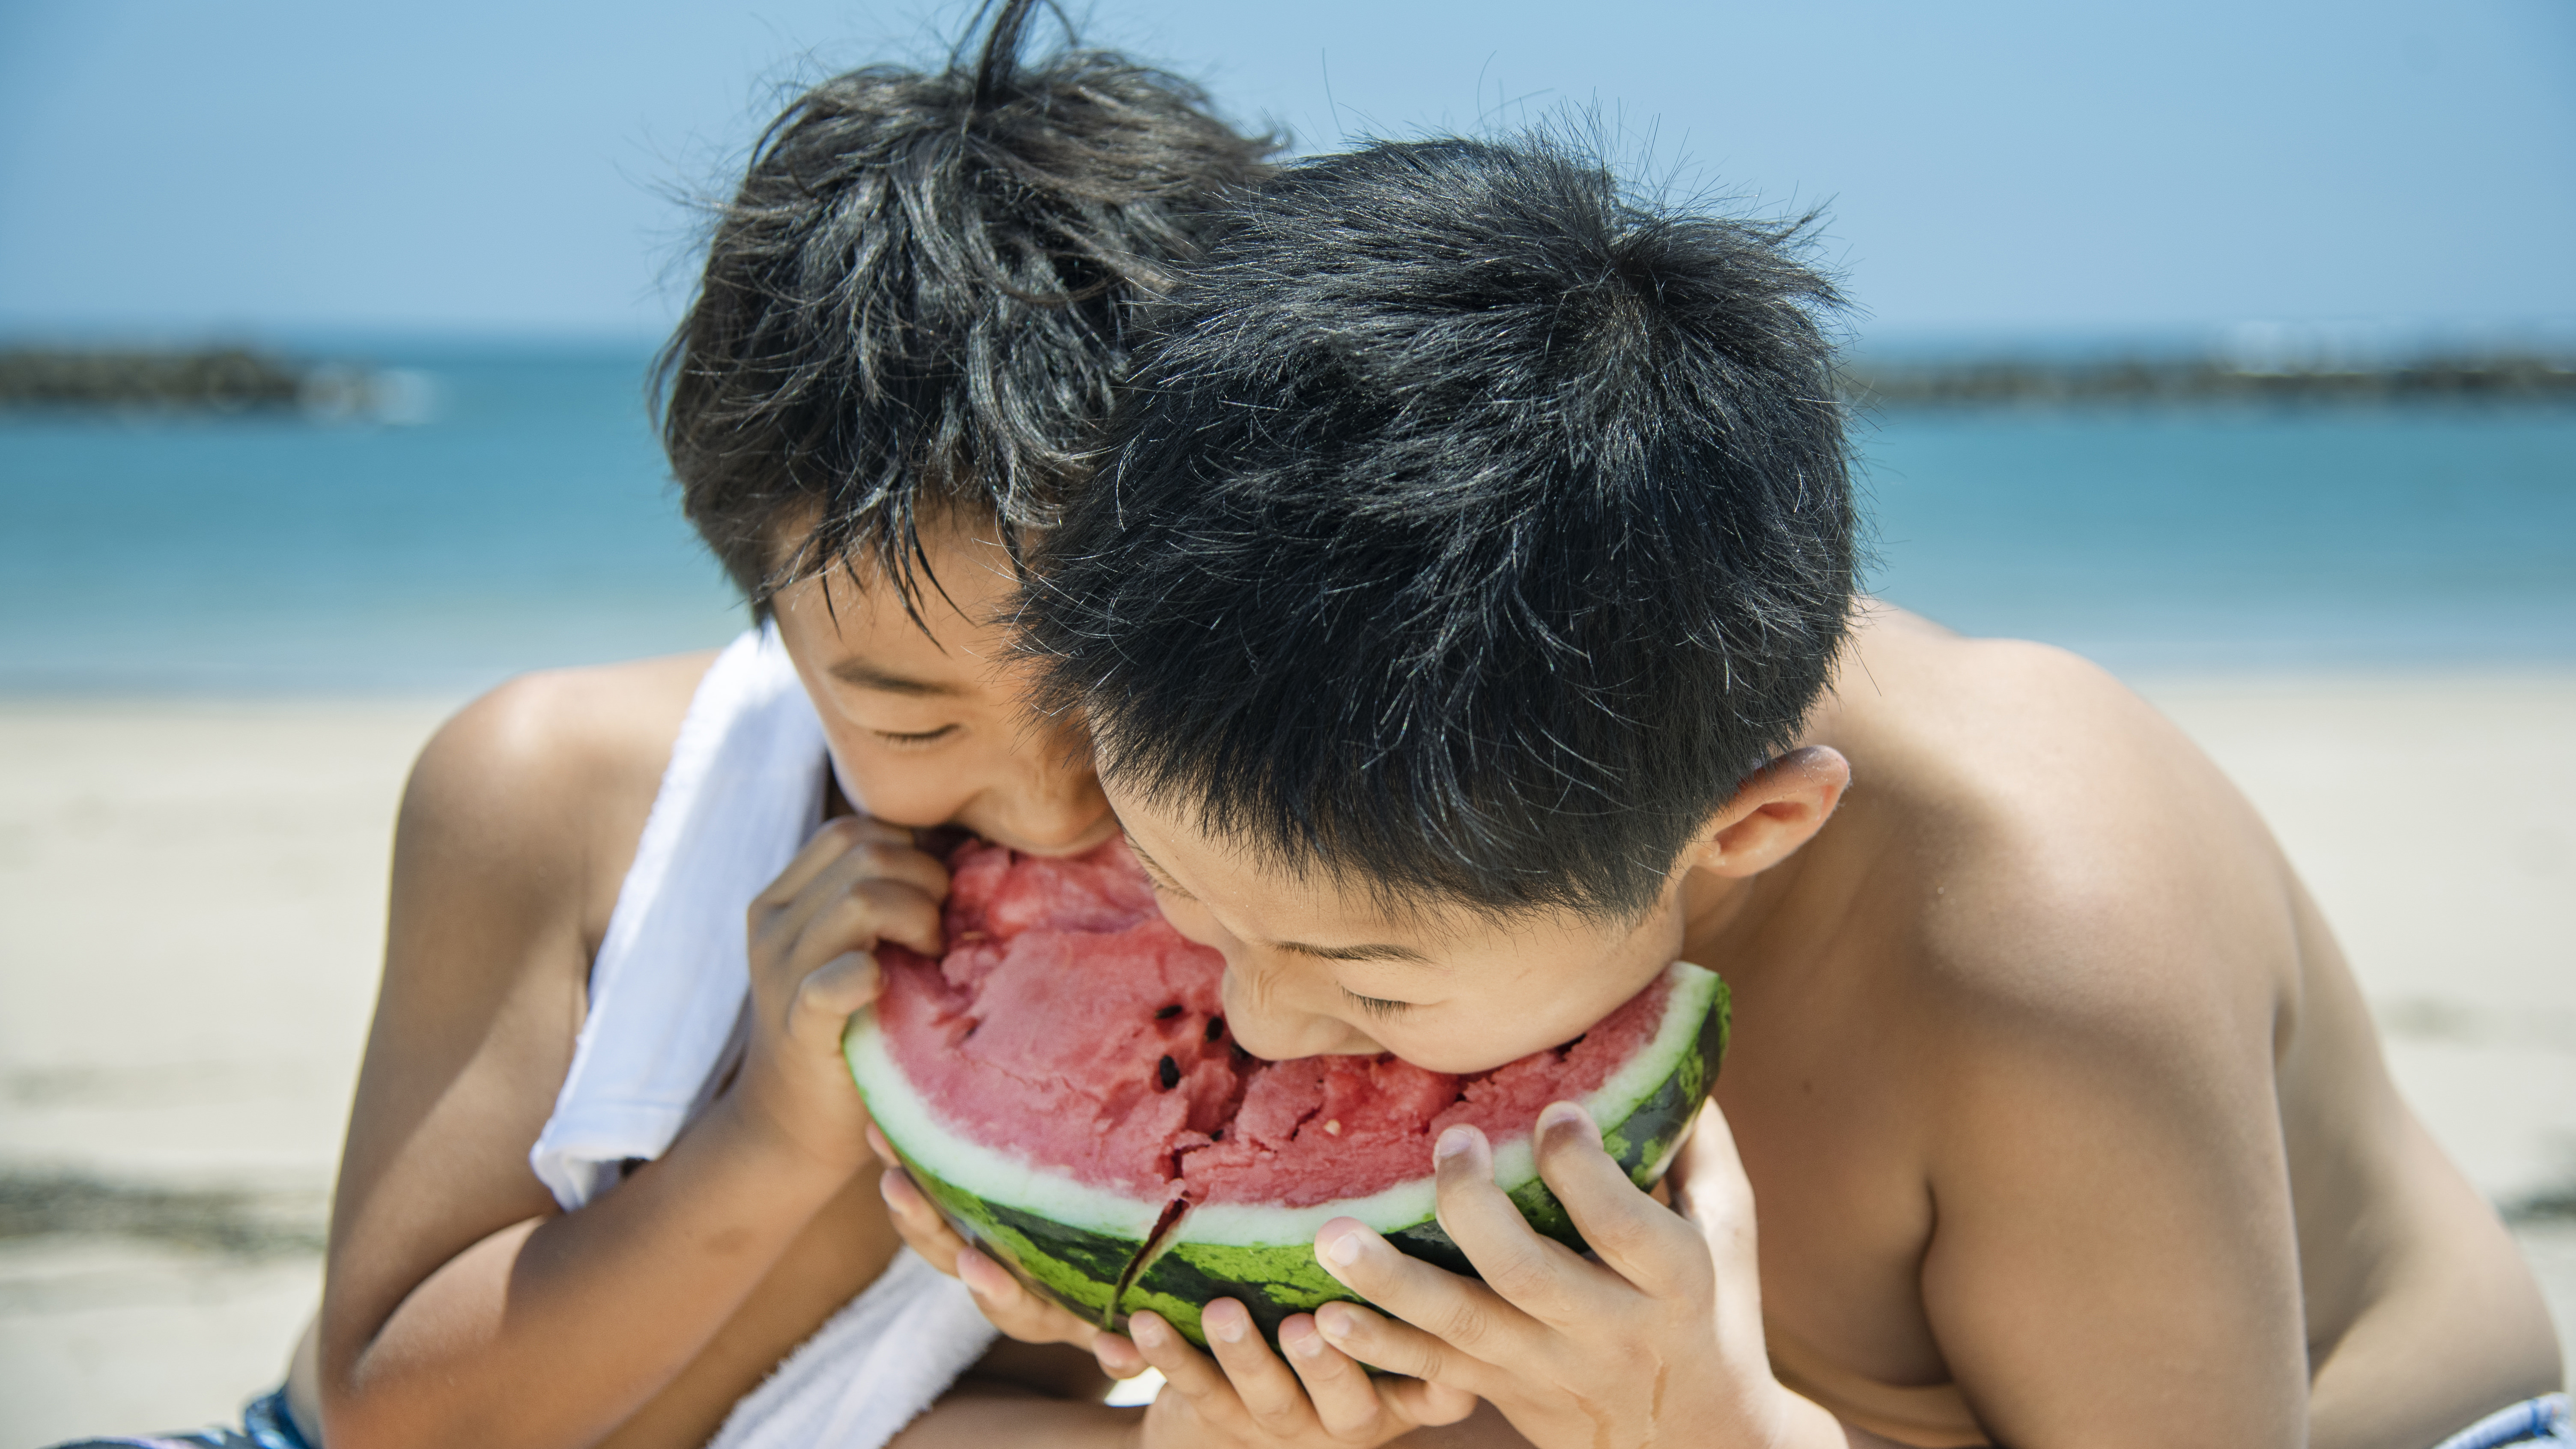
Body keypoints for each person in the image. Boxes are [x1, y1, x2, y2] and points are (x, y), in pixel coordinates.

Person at [894, 134, 2569, 1448]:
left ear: (1748, 832)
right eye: (1182, 899)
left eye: (1365, 975)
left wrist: (1718, 1428)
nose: (1254, 1030)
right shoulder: (1263, 721)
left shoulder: (2045, 939)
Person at [46, 6, 1275, 1447]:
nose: (1059, 809)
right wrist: (766, 1134)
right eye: (918, 726)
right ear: (772, 620)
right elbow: (389, 1415)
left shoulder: (1307, 921)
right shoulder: (551, 792)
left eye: (1110, 704)